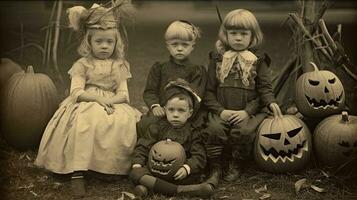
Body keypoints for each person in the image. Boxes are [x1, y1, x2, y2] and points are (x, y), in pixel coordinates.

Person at [34, 1, 141, 197]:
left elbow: (124, 95)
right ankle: (78, 171)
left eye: (109, 42)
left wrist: (110, 102)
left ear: (116, 43)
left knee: (124, 122)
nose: (104, 46)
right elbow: (76, 92)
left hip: (113, 102)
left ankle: (109, 168)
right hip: (86, 100)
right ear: (88, 42)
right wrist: (99, 101)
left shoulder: (119, 65)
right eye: (99, 41)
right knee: (86, 121)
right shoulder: (82, 64)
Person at [202, 9, 280, 187]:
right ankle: (215, 166)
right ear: (226, 35)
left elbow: (264, 89)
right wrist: (220, 111)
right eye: (233, 33)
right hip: (222, 109)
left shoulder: (258, 61)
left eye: (243, 34)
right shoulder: (217, 59)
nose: (238, 38)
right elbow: (208, 91)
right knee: (214, 129)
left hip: (247, 112)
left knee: (244, 131)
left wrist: (258, 107)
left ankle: (237, 162)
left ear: (253, 37)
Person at [130, 79, 213, 199]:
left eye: (181, 110)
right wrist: (137, 163)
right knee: (136, 173)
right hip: (155, 171)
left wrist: (187, 168)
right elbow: (142, 147)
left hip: (178, 174)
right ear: (165, 109)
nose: (175, 114)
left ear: (190, 113)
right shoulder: (157, 128)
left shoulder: (193, 132)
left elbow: (199, 156)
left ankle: (149, 188)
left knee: (195, 175)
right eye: (171, 110)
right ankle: (179, 191)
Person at [137, 20, 207, 139]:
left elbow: (196, 95)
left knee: (198, 129)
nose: (179, 48)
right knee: (145, 124)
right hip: (162, 111)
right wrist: (155, 106)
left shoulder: (197, 70)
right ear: (168, 46)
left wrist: (184, 112)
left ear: (192, 47)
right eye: (175, 44)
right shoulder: (159, 68)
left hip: (185, 112)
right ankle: (146, 149)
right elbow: (150, 91)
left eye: (184, 45)